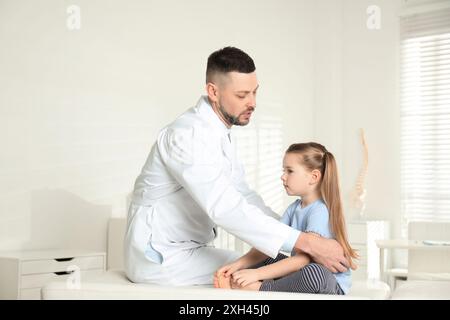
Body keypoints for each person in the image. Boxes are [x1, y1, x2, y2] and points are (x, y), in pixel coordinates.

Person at [124, 47, 353, 286]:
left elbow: (243, 196)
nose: (252, 102)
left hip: (189, 250)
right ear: (213, 91)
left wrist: (298, 230)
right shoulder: (187, 135)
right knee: (267, 273)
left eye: (255, 92)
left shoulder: (218, 133)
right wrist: (306, 242)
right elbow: (223, 206)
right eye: (242, 95)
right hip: (161, 256)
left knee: (274, 266)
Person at [214, 142, 358, 295]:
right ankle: (241, 280)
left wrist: (257, 274)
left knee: (315, 273)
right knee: (268, 255)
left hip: (327, 282)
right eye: (284, 171)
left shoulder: (320, 211)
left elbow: (304, 260)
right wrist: (237, 265)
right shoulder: (294, 208)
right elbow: (268, 243)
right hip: (299, 270)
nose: (283, 177)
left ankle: (259, 287)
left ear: (314, 177)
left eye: (290, 171)